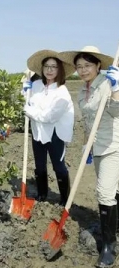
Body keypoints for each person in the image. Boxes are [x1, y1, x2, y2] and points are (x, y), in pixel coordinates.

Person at [59, 46, 116, 268]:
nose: (83, 70)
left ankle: (109, 246)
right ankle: (115, 226)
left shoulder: (108, 83)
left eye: (87, 66)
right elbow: (87, 120)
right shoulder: (83, 89)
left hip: (114, 145)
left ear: (98, 65)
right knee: (113, 190)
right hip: (97, 146)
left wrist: (117, 87)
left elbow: (118, 111)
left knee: (104, 193)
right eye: (79, 67)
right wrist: (85, 145)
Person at [23, 50, 75, 206]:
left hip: (56, 134)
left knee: (58, 166)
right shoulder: (36, 85)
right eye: (47, 66)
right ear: (42, 68)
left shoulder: (62, 92)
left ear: (59, 70)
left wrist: (28, 111)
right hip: (38, 132)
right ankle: (42, 194)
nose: (50, 70)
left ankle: (65, 199)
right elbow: (25, 102)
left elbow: (49, 117)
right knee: (39, 165)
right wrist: (24, 91)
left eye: (54, 67)